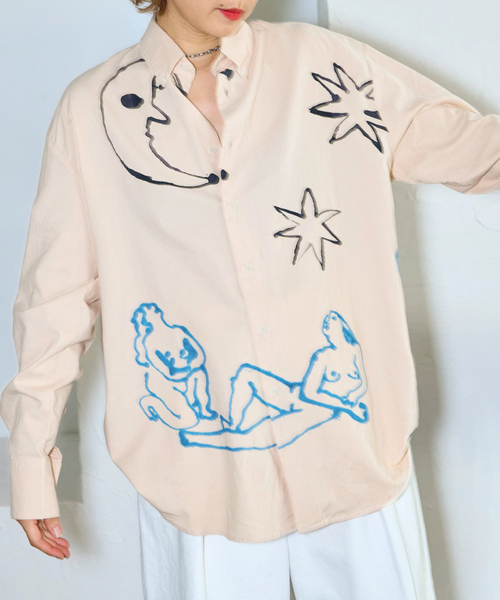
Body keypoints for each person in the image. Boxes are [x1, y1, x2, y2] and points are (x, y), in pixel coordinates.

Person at [1, 0, 499, 598]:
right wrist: (30, 460)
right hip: (199, 475)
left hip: (350, 452)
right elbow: (54, 299)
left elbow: (466, 148)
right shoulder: (93, 111)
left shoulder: (320, 63)